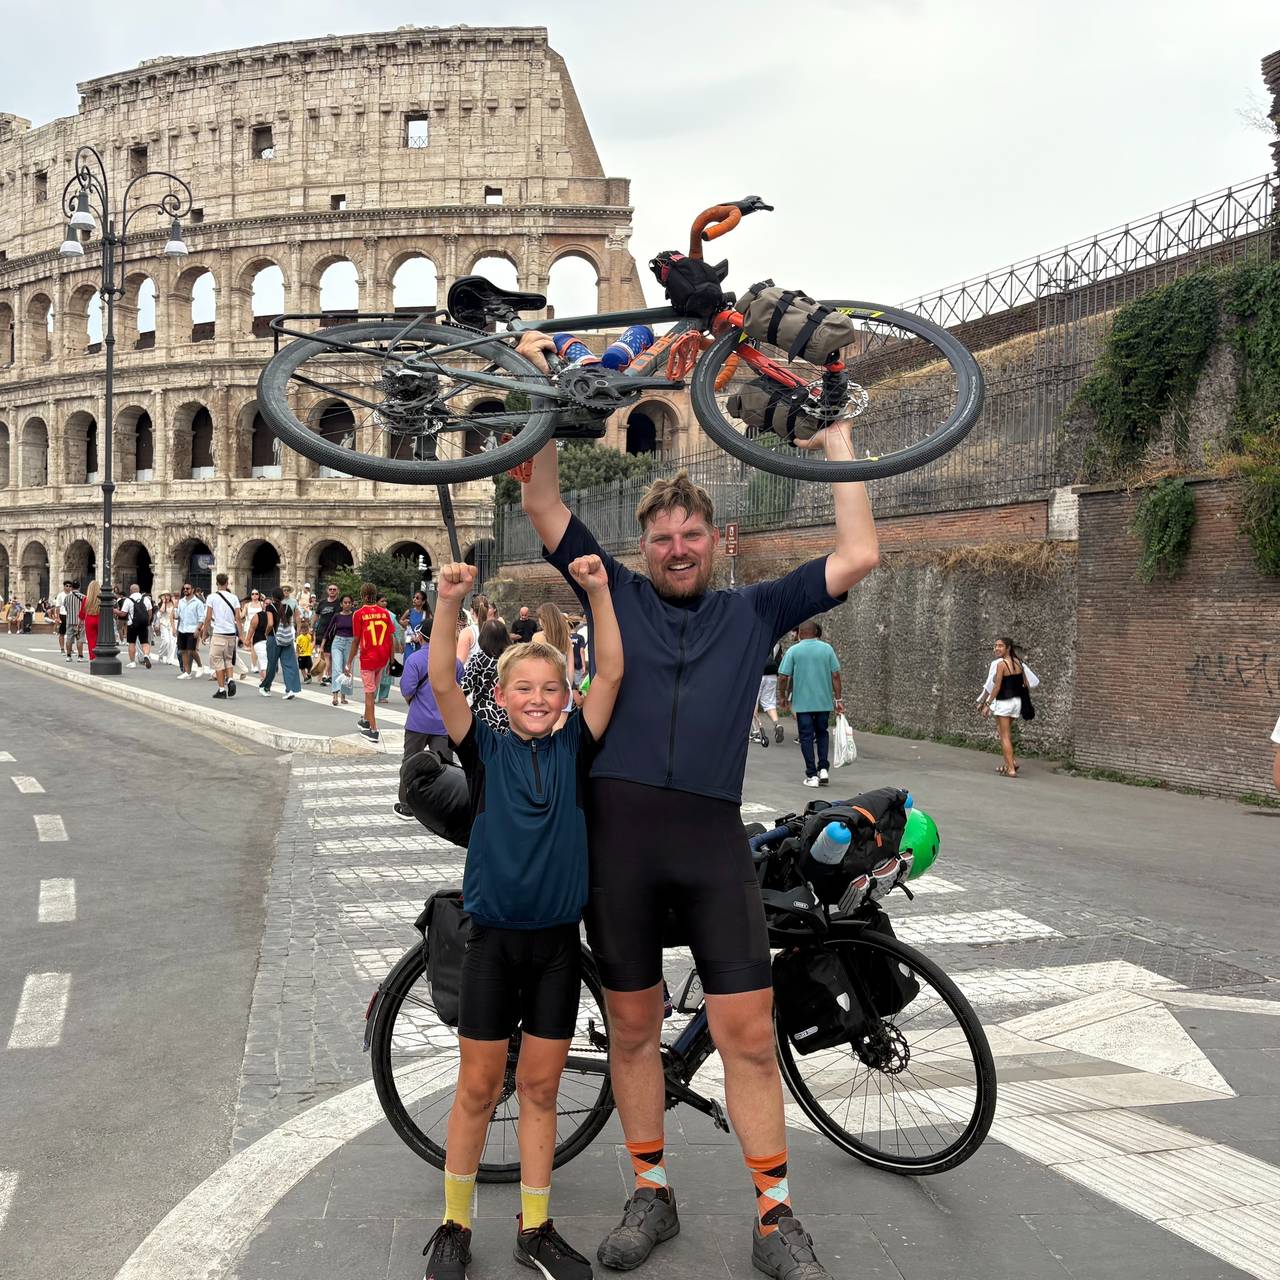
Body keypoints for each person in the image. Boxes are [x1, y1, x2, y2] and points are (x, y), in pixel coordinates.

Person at [517, 323, 877, 1280]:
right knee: (633, 1029)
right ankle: (651, 1193)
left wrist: (835, 446)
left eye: (691, 536)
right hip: (620, 843)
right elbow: (542, 496)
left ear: (718, 541)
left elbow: (860, 553)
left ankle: (774, 1216)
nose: (676, 549)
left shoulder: (754, 610)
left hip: (710, 841)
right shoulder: (615, 591)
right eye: (662, 538)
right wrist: (546, 404)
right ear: (647, 545)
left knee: (747, 1033)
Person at [420, 555, 622, 1280]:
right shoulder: (486, 750)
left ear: (565, 696)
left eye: (550, 688)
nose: (538, 699)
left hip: (557, 950)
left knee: (538, 1089)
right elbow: (443, 679)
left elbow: (613, 677)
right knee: (479, 1087)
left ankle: (535, 1226)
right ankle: (453, 1223)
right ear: (501, 697)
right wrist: (449, 603)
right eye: (524, 689)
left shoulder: (576, 746)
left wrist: (598, 594)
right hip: (492, 944)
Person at [393, 606, 465, 820]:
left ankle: (406, 805)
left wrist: (415, 703)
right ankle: (444, 806)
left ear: (421, 638)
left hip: (418, 722)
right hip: (444, 723)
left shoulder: (414, 660)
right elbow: (457, 687)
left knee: (410, 762)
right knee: (444, 766)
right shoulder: (455, 662)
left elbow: (407, 690)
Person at [778, 621, 843, 788]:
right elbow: (835, 675)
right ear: (816, 633)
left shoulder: (794, 650)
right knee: (822, 733)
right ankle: (823, 769)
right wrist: (838, 699)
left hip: (803, 703)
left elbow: (783, 676)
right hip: (823, 702)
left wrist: (782, 697)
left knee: (806, 737)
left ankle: (812, 774)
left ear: (800, 633)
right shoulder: (827, 649)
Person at [977, 636, 1040, 778]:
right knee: (1003, 732)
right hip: (1016, 703)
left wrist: (986, 704)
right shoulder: (1019, 663)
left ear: (1008, 648)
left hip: (1004, 703)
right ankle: (1011, 762)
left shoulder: (1001, 665)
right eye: (995, 646)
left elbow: (996, 687)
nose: (996, 648)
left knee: (1004, 735)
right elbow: (1027, 683)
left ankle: (1010, 768)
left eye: (1000, 646)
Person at [352, 582, 394, 742]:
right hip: (382, 657)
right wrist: (391, 660)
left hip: (368, 658)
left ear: (362, 596)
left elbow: (356, 640)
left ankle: (373, 729)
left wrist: (349, 662)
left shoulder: (359, 614)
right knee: (373, 690)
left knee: (369, 695)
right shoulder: (385, 613)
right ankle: (366, 720)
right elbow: (391, 638)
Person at [461, 618, 512, 734]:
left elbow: (465, 688)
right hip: (508, 716)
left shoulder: (479, 659)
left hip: (483, 715)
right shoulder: (512, 659)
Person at [533, 602, 574, 730]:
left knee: (542, 729)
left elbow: (534, 665)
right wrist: (568, 686)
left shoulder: (538, 637)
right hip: (563, 684)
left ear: (543, 620)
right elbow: (570, 668)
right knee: (559, 728)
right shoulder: (566, 639)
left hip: (544, 686)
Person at [200, 572, 240, 699]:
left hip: (219, 633)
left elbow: (208, 618)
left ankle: (222, 690)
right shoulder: (234, 598)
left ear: (216, 583)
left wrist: (204, 632)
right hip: (231, 634)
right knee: (228, 659)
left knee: (217, 661)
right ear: (227, 583)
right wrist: (242, 636)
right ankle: (231, 680)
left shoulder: (212, 597)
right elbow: (238, 618)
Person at [259, 586, 302, 700]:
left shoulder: (270, 607)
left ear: (273, 597)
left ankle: (266, 687)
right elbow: (291, 622)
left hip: (274, 638)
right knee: (289, 665)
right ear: (283, 596)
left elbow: (270, 623)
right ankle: (290, 689)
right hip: (286, 638)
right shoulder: (288, 607)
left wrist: (266, 633)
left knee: (272, 665)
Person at [326, 594, 355, 707]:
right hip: (337, 642)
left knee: (346, 669)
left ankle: (343, 695)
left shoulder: (354, 616)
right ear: (341, 604)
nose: (347, 604)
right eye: (345, 602)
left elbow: (358, 631)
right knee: (337, 668)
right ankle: (335, 695)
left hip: (350, 643)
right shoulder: (337, 616)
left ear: (352, 604)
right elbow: (329, 629)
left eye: (349, 602)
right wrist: (323, 644)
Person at [119, 583, 154, 669]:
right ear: (138, 590)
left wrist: (114, 611)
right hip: (143, 623)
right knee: (145, 642)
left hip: (132, 624)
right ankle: (146, 655)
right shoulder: (145, 599)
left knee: (132, 643)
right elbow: (150, 612)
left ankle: (132, 662)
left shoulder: (128, 600)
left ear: (130, 591)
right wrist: (148, 622)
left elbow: (123, 614)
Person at [375, 593, 402, 704]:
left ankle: (383, 696)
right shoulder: (372, 614)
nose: (384, 603)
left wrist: (399, 643)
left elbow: (397, 629)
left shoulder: (391, 615)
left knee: (387, 671)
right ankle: (372, 694)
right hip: (374, 646)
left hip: (387, 646)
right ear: (376, 602)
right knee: (375, 671)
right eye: (382, 601)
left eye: (386, 601)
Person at [175, 583, 205, 679]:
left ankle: (200, 666)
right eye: (184, 588)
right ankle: (187, 672)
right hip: (182, 629)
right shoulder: (181, 602)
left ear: (192, 590)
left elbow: (201, 618)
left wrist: (198, 629)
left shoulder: (198, 603)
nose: (185, 590)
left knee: (192, 650)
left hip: (193, 629)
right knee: (183, 651)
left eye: (187, 588)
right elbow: (177, 616)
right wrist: (175, 607)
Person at [314, 583, 342, 685]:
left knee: (328, 654)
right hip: (321, 631)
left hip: (333, 632)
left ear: (337, 591)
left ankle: (326, 675)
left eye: (334, 589)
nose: (332, 591)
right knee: (324, 654)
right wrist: (312, 627)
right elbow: (317, 616)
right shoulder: (322, 603)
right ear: (327, 590)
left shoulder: (339, 603)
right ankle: (326, 675)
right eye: (330, 589)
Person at [758, 641, 785, 744]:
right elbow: (779, 659)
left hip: (758, 674)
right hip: (772, 674)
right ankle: (777, 724)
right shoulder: (776, 642)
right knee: (769, 702)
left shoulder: (757, 638)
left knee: (752, 703)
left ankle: (757, 729)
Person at [244, 590, 268, 677]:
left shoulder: (262, 604)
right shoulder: (247, 605)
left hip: (261, 626)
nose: (254, 595)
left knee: (260, 646)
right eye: (252, 594)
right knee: (253, 646)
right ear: (250, 595)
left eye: (256, 594)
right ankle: (254, 665)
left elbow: (266, 612)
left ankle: (260, 664)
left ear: (259, 595)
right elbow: (242, 615)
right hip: (250, 626)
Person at [401, 589, 430, 660]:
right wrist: (404, 623)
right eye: (414, 597)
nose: (414, 599)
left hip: (421, 644)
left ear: (423, 602)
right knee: (409, 662)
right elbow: (401, 621)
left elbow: (431, 627)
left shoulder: (427, 614)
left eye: (417, 598)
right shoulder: (409, 611)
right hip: (410, 643)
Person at [151, 592, 178, 666]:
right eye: (164, 596)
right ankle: (161, 654)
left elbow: (176, 613)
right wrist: (163, 602)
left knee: (173, 642)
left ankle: (170, 659)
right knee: (166, 641)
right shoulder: (161, 604)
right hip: (164, 624)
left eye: (168, 595)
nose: (166, 597)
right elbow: (161, 612)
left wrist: (174, 601)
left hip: (173, 624)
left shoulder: (174, 603)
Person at [63, 580, 86, 662]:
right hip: (80, 622)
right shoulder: (84, 597)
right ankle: (80, 656)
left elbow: (66, 608)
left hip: (70, 621)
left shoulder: (67, 597)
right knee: (80, 639)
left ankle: (68, 656)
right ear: (79, 587)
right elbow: (85, 609)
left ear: (71, 587)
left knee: (69, 639)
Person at [79, 581, 101, 659]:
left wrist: (80, 621)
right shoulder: (101, 599)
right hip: (99, 619)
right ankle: (100, 657)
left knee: (91, 641)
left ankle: (93, 658)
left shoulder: (86, 599)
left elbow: (82, 613)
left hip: (89, 620)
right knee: (101, 641)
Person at [54, 579, 71, 655]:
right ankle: (62, 648)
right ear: (64, 586)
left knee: (70, 633)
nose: (68, 587)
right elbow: (57, 607)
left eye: (70, 586)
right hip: (62, 614)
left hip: (71, 615)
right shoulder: (60, 595)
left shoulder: (72, 594)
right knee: (62, 633)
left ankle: (69, 648)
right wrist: (57, 617)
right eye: (67, 586)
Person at [296, 618, 315, 683]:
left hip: (308, 654)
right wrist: (297, 653)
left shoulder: (309, 636)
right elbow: (297, 646)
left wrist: (312, 634)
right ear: (301, 630)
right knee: (302, 667)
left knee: (310, 665)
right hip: (301, 654)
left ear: (308, 629)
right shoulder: (299, 637)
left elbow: (312, 640)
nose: (304, 630)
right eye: (303, 629)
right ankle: (305, 677)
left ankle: (309, 673)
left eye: (306, 629)